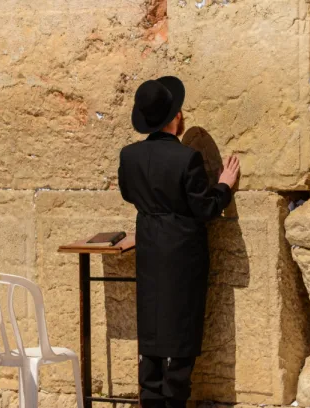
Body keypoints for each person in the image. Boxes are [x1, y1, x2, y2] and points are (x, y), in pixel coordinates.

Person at [117, 76, 240, 408]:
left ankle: (152, 400)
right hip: (183, 254)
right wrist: (225, 185)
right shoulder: (187, 159)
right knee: (182, 335)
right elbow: (205, 209)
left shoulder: (129, 156)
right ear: (176, 117)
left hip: (149, 250)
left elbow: (129, 193)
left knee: (153, 334)